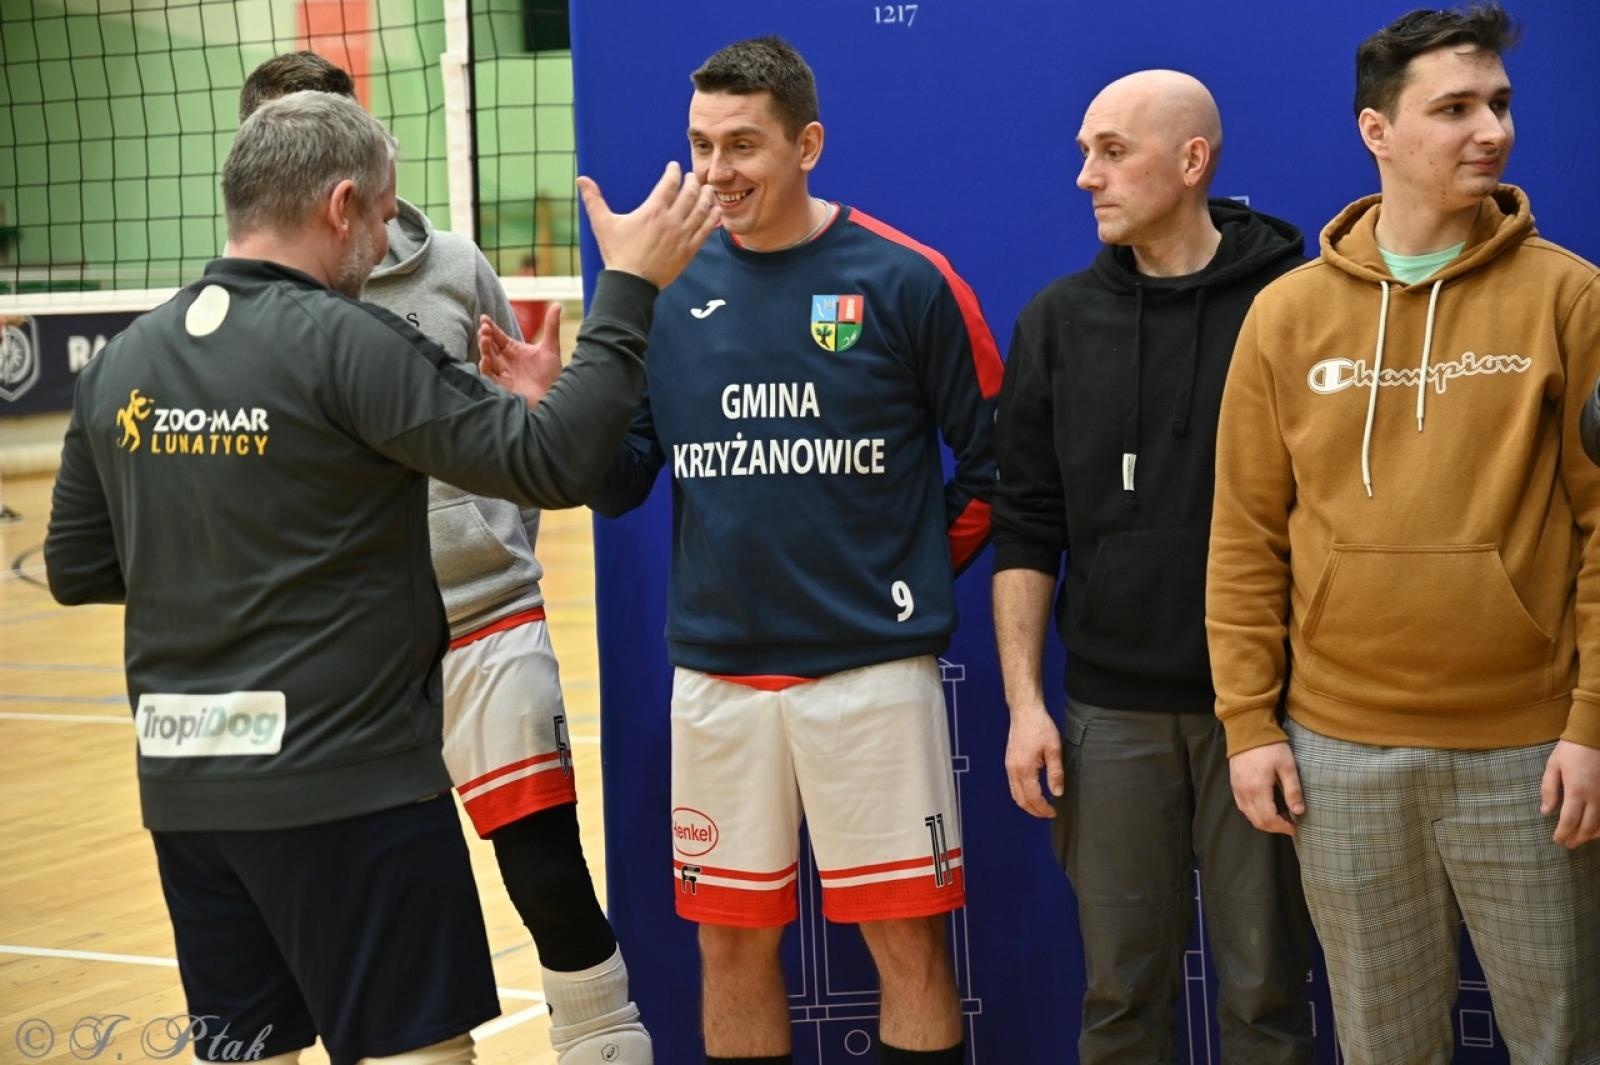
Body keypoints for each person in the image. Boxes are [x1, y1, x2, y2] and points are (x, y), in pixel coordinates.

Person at [44, 90, 717, 1065]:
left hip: (189, 790)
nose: (386, 238)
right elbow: (558, 462)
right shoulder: (350, 344)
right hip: (345, 784)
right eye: (383, 213)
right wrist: (631, 289)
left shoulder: (125, 362)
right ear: (341, 205)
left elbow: (78, 566)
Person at [558, 33, 996, 1065]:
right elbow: (618, 481)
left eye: (743, 145)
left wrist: (907, 576)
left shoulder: (906, 277)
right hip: (716, 682)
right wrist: (557, 405)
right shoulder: (660, 289)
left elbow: (997, 466)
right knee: (728, 948)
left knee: (907, 947)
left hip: (871, 680)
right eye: (701, 145)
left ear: (807, 143)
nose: (716, 172)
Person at [240, 53, 653, 1064]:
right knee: (378, 894)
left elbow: (525, 424)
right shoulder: (239, 307)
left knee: (544, 868)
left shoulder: (454, 267)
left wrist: (499, 531)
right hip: (339, 657)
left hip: (482, 623)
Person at [1206, 5, 1600, 1061]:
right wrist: (1247, 724)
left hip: (1528, 752)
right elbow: (1245, 537)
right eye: (1455, 108)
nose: (1491, 131)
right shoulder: (1285, 317)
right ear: (1376, 131)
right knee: (1383, 1045)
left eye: (1501, 105)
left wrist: (1591, 722)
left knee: (1559, 1041)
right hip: (1339, 753)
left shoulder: (1571, 298)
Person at [992, 69, 1314, 1063]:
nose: (1085, 175)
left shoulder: (1292, 308)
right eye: (1086, 150)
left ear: (1191, 162)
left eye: (1112, 151)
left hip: (1261, 715)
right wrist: (1024, 704)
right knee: (1120, 1001)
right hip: (1108, 717)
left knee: (1266, 1000)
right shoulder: (1056, 321)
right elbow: (1025, 522)